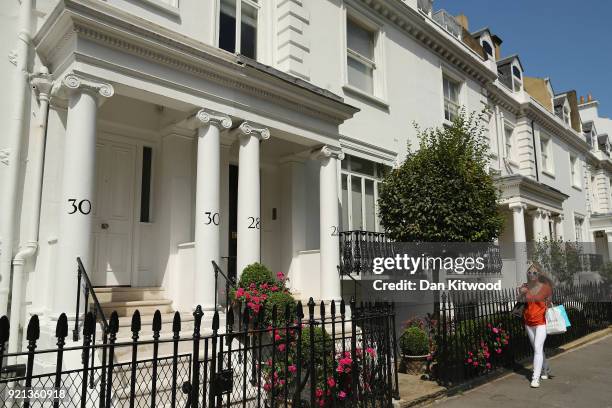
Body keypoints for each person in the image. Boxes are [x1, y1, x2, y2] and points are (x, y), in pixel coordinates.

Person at [519, 262, 553, 388]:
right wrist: (521, 293)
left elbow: (549, 302)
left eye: (534, 272)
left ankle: (535, 378)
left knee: (538, 348)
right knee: (537, 349)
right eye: (529, 272)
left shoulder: (545, 287)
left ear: (539, 274)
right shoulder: (525, 286)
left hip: (541, 322)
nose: (531, 274)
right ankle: (546, 369)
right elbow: (519, 301)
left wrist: (546, 307)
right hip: (528, 322)